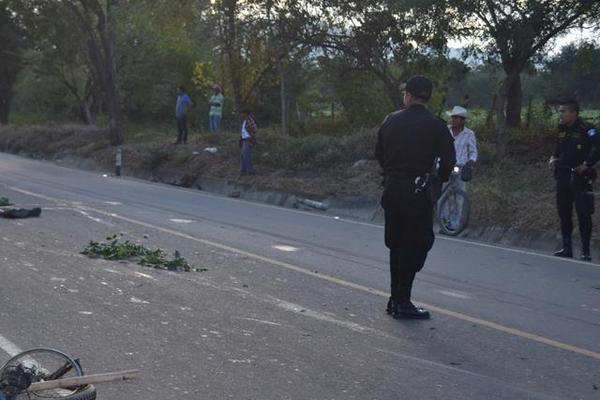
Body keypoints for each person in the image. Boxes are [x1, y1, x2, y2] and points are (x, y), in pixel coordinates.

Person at [375, 76, 456, 320]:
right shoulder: (437, 126)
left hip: (392, 189)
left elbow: (378, 153)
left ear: (408, 96)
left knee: (396, 243)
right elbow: (449, 162)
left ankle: (395, 298)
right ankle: (403, 301)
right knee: (416, 244)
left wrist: (392, 172)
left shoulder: (391, 120)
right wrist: (436, 180)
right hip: (418, 192)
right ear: (427, 98)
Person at [549, 99, 600, 261]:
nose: (561, 115)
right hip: (563, 175)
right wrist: (552, 158)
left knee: (583, 213)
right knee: (564, 212)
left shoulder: (587, 128)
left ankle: (585, 251)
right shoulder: (561, 128)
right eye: (560, 111)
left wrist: (587, 164)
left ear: (573, 112)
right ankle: (567, 247)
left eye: (563, 111)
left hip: (580, 176)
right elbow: (558, 147)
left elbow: (598, 147)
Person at [440, 105, 478, 230]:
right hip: (445, 165)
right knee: (443, 194)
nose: (455, 120)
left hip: (460, 167)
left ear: (463, 120)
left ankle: (455, 223)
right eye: (453, 117)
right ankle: (443, 220)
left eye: (458, 118)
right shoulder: (445, 131)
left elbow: (473, 151)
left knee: (459, 198)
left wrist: (471, 161)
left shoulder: (469, 134)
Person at [239, 108, 257, 176]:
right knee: (243, 156)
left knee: (247, 155)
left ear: (245, 114)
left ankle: (250, 171)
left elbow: (254, 129)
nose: (241, 115)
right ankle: (243, 171)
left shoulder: (249, 120)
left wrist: (252, 138)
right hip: (244, 139)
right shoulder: (245, 121)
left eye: (242, 113)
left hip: (248, 139)